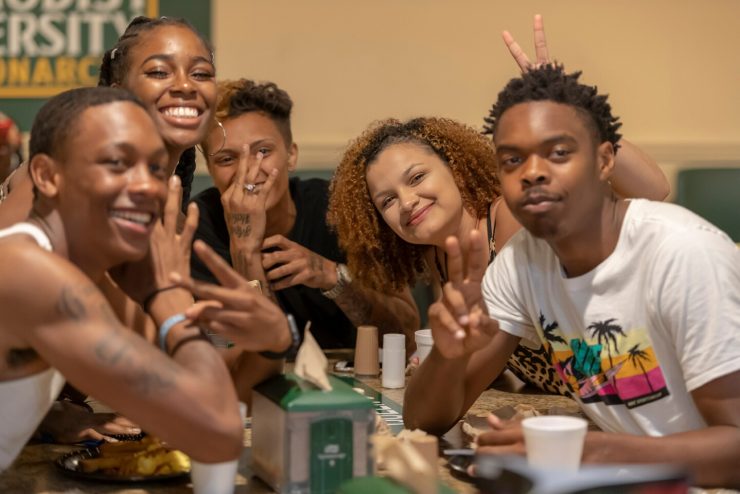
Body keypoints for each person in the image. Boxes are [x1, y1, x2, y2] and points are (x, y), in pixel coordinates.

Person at [403, 64, 740, 488]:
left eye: (559, 152)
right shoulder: (521, 263)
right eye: (512, 160)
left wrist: (591, 451)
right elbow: (424, 421)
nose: (532, 172)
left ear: (604, 159)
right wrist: (447, 356)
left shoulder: (683, 251)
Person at [327, 18, 669, 393]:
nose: (407, 203)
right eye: (387, 200)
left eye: (416, 178)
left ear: (454, 168)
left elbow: (654, 190)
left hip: (649, 386)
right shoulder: (439, 256)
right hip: (575, 408)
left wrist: (571, 109)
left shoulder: (514, 215)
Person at [0, 87, 244, 470]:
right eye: (116, 163)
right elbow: (217, 430)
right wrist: (168, 295)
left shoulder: (80, 270)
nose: (148, 186)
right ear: (47, 176)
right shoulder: (32, 272)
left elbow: (192, 396)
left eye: (155, 168)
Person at [192, 79, 420, 350]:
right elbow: (252, 354)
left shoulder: (339, 210)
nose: (249, 172)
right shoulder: (197, 225)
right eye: (227, 159)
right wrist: (245, 249)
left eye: (263, 151)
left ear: (291, 155)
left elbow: (406, 338)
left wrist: (334, 277)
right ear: (209, 167)